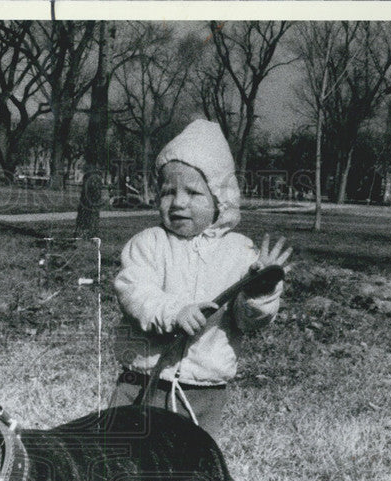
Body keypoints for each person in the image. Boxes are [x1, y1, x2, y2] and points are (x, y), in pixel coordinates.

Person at [110, 118, 292, 441]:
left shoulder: (240, 254)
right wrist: (174, 312)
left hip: (202, 392)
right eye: (168, 192)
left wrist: (260, 293)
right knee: (123, 459)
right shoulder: (147, 244)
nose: (178, 202)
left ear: (220, 199)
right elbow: (134, 291)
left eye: (193, 192)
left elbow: (247, 321)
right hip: (142, 382)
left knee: (191, 470)